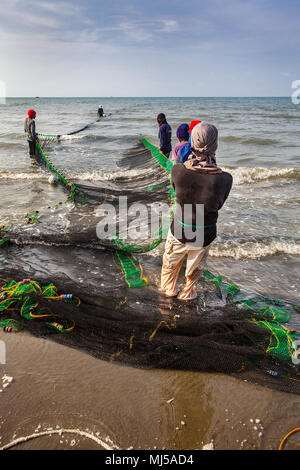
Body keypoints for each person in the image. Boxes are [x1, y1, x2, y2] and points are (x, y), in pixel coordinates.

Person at [161, 122, 233, 301]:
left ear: (193, 141)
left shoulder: (177, 171)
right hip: (205, 233)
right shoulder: (225, 179)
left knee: (169, 273)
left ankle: (168, 297)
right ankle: (187, 295)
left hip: (179, 230)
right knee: (192, 276)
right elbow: (218, 205)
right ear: (215, 144)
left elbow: (177, 194)